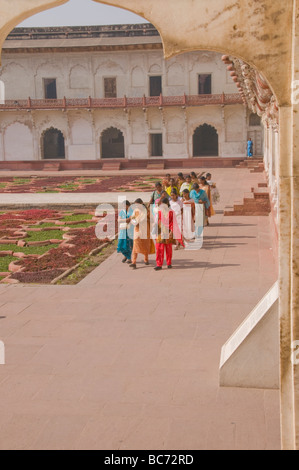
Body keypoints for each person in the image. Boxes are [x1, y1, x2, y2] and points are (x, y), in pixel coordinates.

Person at [154, 198, 183, 271]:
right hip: (160, 231)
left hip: (169, 231)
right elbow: (156, 221)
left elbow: (173, 223)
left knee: (168, 248)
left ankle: (169, 263)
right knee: (159, 248)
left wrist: (171, 232)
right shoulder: (159, 212)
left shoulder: (171, 212)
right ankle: (159, 264)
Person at [129, 198, 155, 269]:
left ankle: (146, 259)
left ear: (141, 203)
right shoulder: (135, 211)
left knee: (145, 245)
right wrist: (134, 221)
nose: (137, 207)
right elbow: (133, 219)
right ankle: (133, 262)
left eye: (138, 205)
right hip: (137, 230)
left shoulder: (146, 211)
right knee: (135, 246)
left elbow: (152, 220)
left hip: (145, 230)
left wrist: (146, 219)